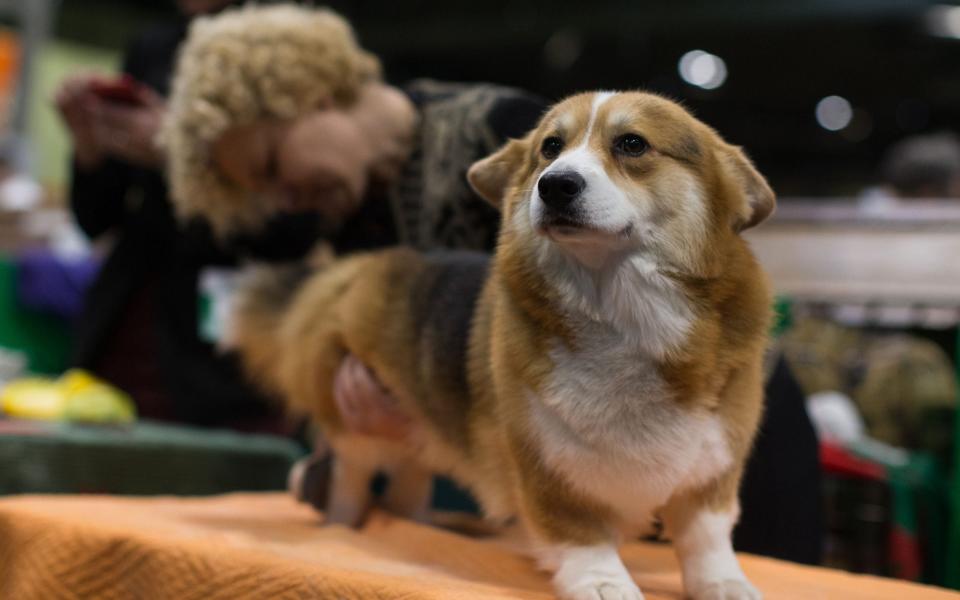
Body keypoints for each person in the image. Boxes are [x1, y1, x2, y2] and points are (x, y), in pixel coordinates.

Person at [164, 3, 823, 564]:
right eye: (264, 189)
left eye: (274, 162)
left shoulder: (514, 130)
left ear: (313, 95)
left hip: (723, 430)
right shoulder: (350, 210)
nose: (286, 196)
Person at [53, 0, 324, 430]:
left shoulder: (290, 50)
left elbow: (295, 228)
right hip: (131, 319)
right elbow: (96, 220)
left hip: (228, 345)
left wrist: (182, 154)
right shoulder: (155, 47)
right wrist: (91, 147)